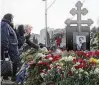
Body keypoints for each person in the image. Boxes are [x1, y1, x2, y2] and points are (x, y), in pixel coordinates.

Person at [1, 13, 20, 81]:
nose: (12, 20)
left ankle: (7, 76)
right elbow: (4, 37)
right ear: (9, 18)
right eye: (12, 18)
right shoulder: (4, 25)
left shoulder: (6, 25)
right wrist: (5, 48)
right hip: (10, 48)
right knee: (12, 62)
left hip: (11, 47)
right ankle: (12, 77)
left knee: (9, 62)